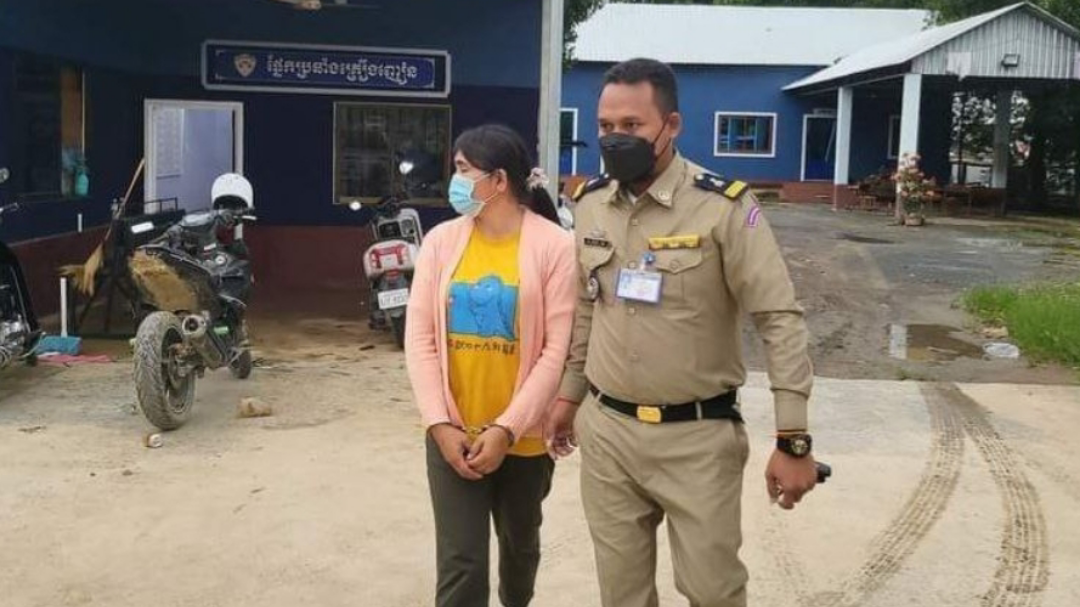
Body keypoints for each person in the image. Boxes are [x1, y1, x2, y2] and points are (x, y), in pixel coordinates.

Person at [544, 58, 818, 607]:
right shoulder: (590, 203)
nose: (615, 138)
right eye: (605, 126)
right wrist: (569, 396)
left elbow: (778, 318)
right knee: (622, 595)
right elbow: (589, 306)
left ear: (671, 125)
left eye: (632, 125)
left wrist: (793, 438)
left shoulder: (723, 207)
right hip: (609, 432)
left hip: (697, 438)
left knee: (713, 592)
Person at [404, 124, 577, 607]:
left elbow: (555, 351)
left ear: (498, 180)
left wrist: (506, 429)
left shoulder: (555, 247)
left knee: (519, 547)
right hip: (453, 434)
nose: (454, 182)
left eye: (463, 170)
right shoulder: (440, 241)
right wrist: (439, 423)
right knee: (461, 561)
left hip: (524, 439)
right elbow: (419, 339)